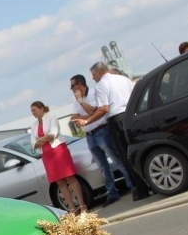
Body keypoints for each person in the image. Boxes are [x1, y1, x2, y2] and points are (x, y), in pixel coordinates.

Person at [75, 62, 152, 202]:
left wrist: (87, 121)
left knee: (126, 156)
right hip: (131, 115)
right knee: (138, 149)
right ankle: (150, 180)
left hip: (116, 119)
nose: (93, 78)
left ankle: (140, 188)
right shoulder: (123, 79)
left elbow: (103, 108)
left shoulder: (101, 85)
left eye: (93, 74)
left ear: (99, 73)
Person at [70, 74, 132, 206]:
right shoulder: (75, 99)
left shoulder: (94, 93)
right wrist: (86, 113)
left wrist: (82, 103)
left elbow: (96, 111)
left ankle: (132, 185)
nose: (71, 89)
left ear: (80, 84)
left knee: (117, 160)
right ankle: (112, 192)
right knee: (103, 166)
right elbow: (74, 116)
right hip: (90, 135)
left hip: (102, 131)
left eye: (72, 86)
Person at [30, 101, 87, 214]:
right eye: (32, 111)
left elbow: (53, 134)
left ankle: (82, 206)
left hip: (59, 151)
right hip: (47, 156)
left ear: (41, 109)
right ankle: (72, 208)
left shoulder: (51, 117)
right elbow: (33, 144)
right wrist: (43, 139)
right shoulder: (34, 125)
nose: (33, 113)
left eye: (34, 110)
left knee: (70, 178)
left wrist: (40, 140)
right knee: (59, 182)